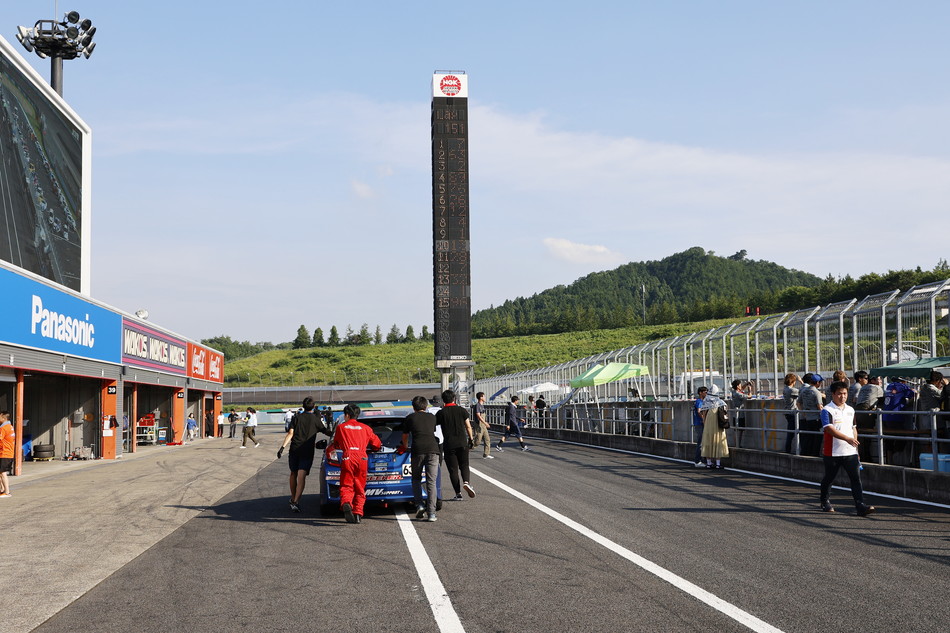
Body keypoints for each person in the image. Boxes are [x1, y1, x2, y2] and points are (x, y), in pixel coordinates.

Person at [819, 381, 875, 516]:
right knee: (829, 478)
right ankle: (824, 501)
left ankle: (860, 505)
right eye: (839, 394)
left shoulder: (851, 409)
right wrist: (847, 439)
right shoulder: (827, 410)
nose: (842, 396)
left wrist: (855, 447)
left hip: (850, 452)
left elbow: (853, 429)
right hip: (833, 452)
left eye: (845, 394)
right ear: (833, 394)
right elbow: (829, 429)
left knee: (856, 479)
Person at [325, 403, 381, 524]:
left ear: (346, 415)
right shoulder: (366, 428)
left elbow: (336, 443)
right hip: (362, 457)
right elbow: (377, 444)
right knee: (360, 487)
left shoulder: (341, 427)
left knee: (346, 485)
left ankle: (346, 502)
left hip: (348, 457)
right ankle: (358, 513)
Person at [277, 397, 332, 513]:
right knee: (301, 476)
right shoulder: (315, 419)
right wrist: (336, 434)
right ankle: (296, 501)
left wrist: (282, 447)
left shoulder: (296, 417)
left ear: (303, 406)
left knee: (293, 473)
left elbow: (290, 433)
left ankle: (293, 498)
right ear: (313, 406)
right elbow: (326, 431)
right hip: (307, 450)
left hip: (294, 449)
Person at [400, 396, 441, 521]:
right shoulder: (432, 417)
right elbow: (431, 431)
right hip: (433, 450)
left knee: (416, 479)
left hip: (417, 450)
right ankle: (432, 513)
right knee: (431, 481)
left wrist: (405, 446)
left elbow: (405, 436)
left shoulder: (410, 418)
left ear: (413, 407)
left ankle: (419, 505)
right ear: (426, 406)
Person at [436, 389, 476, 501]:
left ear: (443, 400)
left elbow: (434, 426)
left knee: (453, 469)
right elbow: (468, 426)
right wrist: (471, 439)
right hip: (462, 442)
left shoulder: (441, 413)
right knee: (464, 465)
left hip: (449, 444)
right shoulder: (462, 410)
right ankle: (466, 482)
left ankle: (458, 494)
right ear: (454, 398)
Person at [797, 373, 825, 457]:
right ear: (817, 382)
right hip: (816, 418)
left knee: (809, 437)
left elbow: (798, 403)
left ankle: (807, 454)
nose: (820, 384)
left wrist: (803, 413)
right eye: (820, 382)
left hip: (807, 418)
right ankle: (815, 455)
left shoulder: (804, 391)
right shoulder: (817, 392)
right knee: (817, 438)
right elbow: (819, 406)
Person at [700, 390, 729, 469]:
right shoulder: (720, 402)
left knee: (708, 441)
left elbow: (703, 414)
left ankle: (709, 463)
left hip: (708, 424)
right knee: (718, 441)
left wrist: (704, 423)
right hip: (718, 425)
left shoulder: (706, 402)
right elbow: (726, 412)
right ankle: (718, 464)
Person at [471, 391, 493, 458]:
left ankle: (486, 454)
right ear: (481, 398)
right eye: (484, 396)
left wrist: (485, 423)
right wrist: (485, 423)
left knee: (487, 439)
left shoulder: (482, 406)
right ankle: (467, 448)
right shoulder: (477, 405)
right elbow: (478, 416)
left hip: (483, 425)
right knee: (477, 441)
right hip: (479, 425)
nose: (485, 397)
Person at [730, 379, 751, 448]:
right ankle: (738, 445)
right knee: (740, 430)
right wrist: (750, 390)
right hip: (740, 414)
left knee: (736, 430)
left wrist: (746, 384)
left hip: (735, 414)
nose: (741, 385)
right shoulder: (738, 394)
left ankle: (737, 444)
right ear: (737, 386)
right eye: (740, 384)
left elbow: (741, 389)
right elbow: (749, 396)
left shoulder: (733, 392)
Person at [782, 373, 800, 454]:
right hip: (792, 412)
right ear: (793, 381)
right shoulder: (791, 390)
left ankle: (788, 449)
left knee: (791, 432)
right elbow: (803, 391)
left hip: (787, 412)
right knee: (791, 433)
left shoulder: (785, 389)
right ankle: (788, 450)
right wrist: (802, 382)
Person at [692, 386, 708, 467]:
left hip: (699, 423)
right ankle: (697, 461)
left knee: (702, 442)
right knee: (700, 443)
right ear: (700, 393)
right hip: (699, 423)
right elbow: (699, 411)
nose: (706, 394)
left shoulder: (701, 401)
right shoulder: (699, 401)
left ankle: (702, 460)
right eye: (705, 392)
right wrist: (703, 419)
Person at [0, 411, 14, 498]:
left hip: (4, 453)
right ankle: (2, 490)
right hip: (8, 452)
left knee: (3, 473)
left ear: (3, 418)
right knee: (1, 472)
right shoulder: (10, 427)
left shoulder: (4, 428)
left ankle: (7, 492)